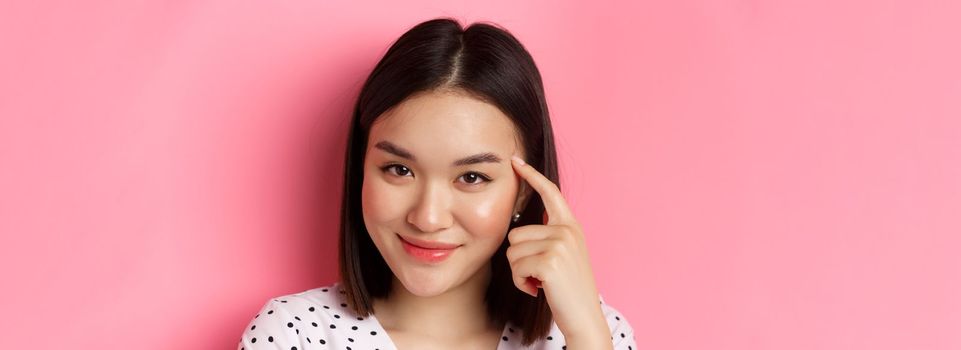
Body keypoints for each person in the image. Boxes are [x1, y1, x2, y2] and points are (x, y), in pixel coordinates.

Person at [238, 17, 637, 350]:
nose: (428, 218)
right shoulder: (297, 334)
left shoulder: (595, 333)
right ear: (362, 168)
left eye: (471, 177)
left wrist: (587, 337)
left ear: (525, 189)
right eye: (399, 170)